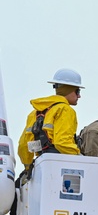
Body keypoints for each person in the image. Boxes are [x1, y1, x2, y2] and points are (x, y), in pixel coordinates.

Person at [10, 68, 84, 215]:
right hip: (59, 164)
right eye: (77, 91)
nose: (79, 96)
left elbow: (24, 145)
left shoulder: (35, 113)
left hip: (41, 163)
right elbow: (62, 142)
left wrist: (27, 167)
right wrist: (81, 158)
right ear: (68, 90)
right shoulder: (65, 110)